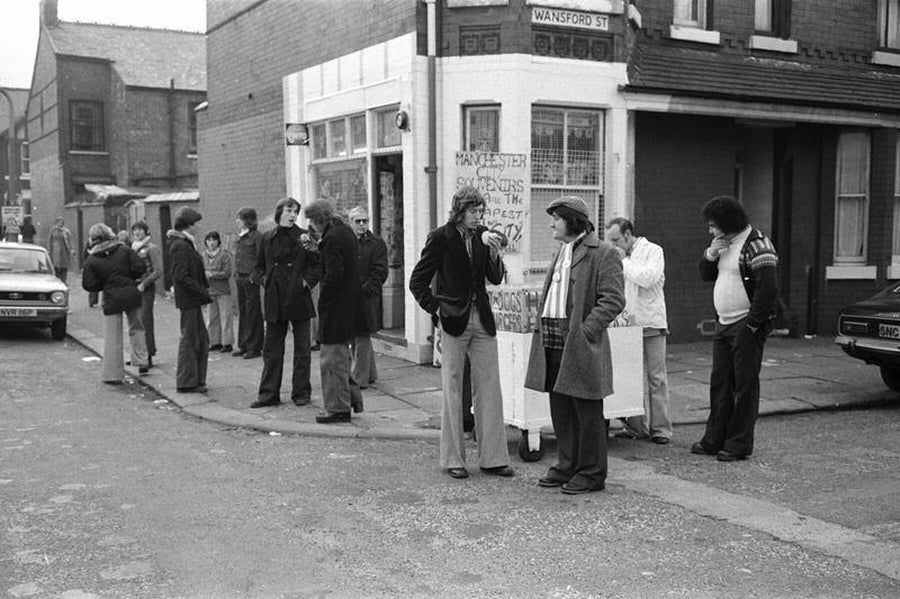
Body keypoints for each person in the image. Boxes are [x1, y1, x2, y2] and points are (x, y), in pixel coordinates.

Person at [409, 185, 514, 479]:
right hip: (453, 319)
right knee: (453, 388)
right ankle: (454, 459)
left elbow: (494, 278)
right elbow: (417, 280)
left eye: (481, 211)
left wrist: (495, 254)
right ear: (459, 211)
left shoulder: (483, 237)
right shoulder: (441, 237)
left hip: (481, 319)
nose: (478, 216)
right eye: (472, 211)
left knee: (489, 386)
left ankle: (493, 458)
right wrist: (436, 310)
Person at [525, 196, 625, 494]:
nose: (551, 223)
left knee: (587, 410)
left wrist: (585, 331)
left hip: (579, 341)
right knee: (562, 408)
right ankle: (567, 464)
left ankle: (592, 472)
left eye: (556, 217)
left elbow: (614, 299)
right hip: (553, 340)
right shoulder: (561, 251)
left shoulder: (603, 252)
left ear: (572, 220)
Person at [692, 195, 779, 462]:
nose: (711, 230)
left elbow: (768, 290)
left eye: (714, 225)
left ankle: (738, 444)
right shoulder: (723, 243)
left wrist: (752, 326)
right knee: (720, 384)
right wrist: (710, 253)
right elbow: (707, 275)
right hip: (724, 323)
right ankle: (714, 439)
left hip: (746, 325)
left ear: (728, 222)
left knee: (745, 386)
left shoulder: (758, 244)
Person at [606, 217, 673, 445]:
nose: (613, 244)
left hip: (651, 321)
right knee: (628, 377)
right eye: (610, 240)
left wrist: (623, 262)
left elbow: (648, 278)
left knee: (657, 378)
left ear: (627, 234)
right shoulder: (619, 255)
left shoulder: (654, 251)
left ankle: (661, 430)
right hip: (626, 324)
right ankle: (637, 427)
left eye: (616, 239)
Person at [251, 197, 320, 408]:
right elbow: (258, 267)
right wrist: (266, 281)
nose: (292, 215)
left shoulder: (304, 237)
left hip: (298, 297)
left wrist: (305, 283)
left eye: (295, 212)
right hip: (275, 298)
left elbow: (317, 266)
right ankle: (268, 394)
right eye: (289, 210)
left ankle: (301, 393)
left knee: (302, 350)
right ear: (279, 212)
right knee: (272, 350)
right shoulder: (266, 238)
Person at [304, 199, 364, 423]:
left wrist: (325, 301)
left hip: (337, 308)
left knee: (331, 360)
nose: (311, 225)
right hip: (350, 305)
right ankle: (353, 399)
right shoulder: (344, 231)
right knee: (342, 356)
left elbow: (333, 274)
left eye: (312, 220)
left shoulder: (331, 238)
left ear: (319, 219)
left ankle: (337, 407)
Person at [81, 223, 149, 384]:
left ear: (93, 240)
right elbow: (140, 267)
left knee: (113, 336)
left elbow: (89, 285)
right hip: (131, 293)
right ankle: (141, 360)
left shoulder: (92, 259)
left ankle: (113, 374)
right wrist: (129, 277)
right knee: (137, 327)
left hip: (111, 297)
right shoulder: (124, 249)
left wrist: (103, 284)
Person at [167, 207, 212, 393]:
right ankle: (187, 381)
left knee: (200, 339)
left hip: (192, 299)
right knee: (191, 340)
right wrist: (201, 291)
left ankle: (196, 380)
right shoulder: (180, 245)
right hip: (190, 299)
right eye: (196, 223)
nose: (199, 226)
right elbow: (180, 276)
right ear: (189, 224)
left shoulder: (184, 243)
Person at [348, 206, 388, 389]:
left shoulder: (376, 243)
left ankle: (359, 378)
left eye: (365, 221)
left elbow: (380, 271)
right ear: (351, 222)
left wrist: (367, 288)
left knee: (362, 335)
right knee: (356, 334)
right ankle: (369, 373)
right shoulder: (348, 242)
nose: (362, 224)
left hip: (366, 296)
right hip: (351, 295)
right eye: (358, 221)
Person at [232, 207, 264, 359]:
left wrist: (255, 276)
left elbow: (261, 258)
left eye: (240, 218)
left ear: (247, 221)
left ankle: (254, 346)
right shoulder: (241, 236)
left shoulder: (256, 236)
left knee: (253, 312)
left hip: (250, 278)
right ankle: (244, 343)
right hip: (240, 277)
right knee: (243, 311)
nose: (237, 221)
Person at [131, 221, 163, 368]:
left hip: (145, 289)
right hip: (133, 289)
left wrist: (144, 284)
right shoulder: (131, 248)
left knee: (145, 322)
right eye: (135, 230)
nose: (137, 233)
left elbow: (158, 271)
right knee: (135, 323)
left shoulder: (151, 248)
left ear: (146, 232)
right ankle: (138, 356)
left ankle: (148, 355)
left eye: (140, 230)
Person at [203, 231, 235, 354]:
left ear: (218, 241)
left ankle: (227, 343)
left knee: (226, 317)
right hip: (210, 291)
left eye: (214, 240)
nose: (211, 242)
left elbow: (227, 272)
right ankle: (214, 342)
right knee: (212, 317)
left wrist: (211, 274)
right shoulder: (204, 255)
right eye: (209, 240)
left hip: (223, 290)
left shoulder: (224, 255)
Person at [48, 217, 75, 282]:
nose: (60, 223)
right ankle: (57, 280)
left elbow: (70, 241)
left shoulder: (66, 231)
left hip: (64, 251)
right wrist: (49, 249)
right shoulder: (53, 230)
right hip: (55, 251)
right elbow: (49, 240)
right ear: (56, 222)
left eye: (61, 222)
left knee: (64, 267)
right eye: (59, 222)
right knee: (56, 267)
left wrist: (72, 249)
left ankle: (63, 281)